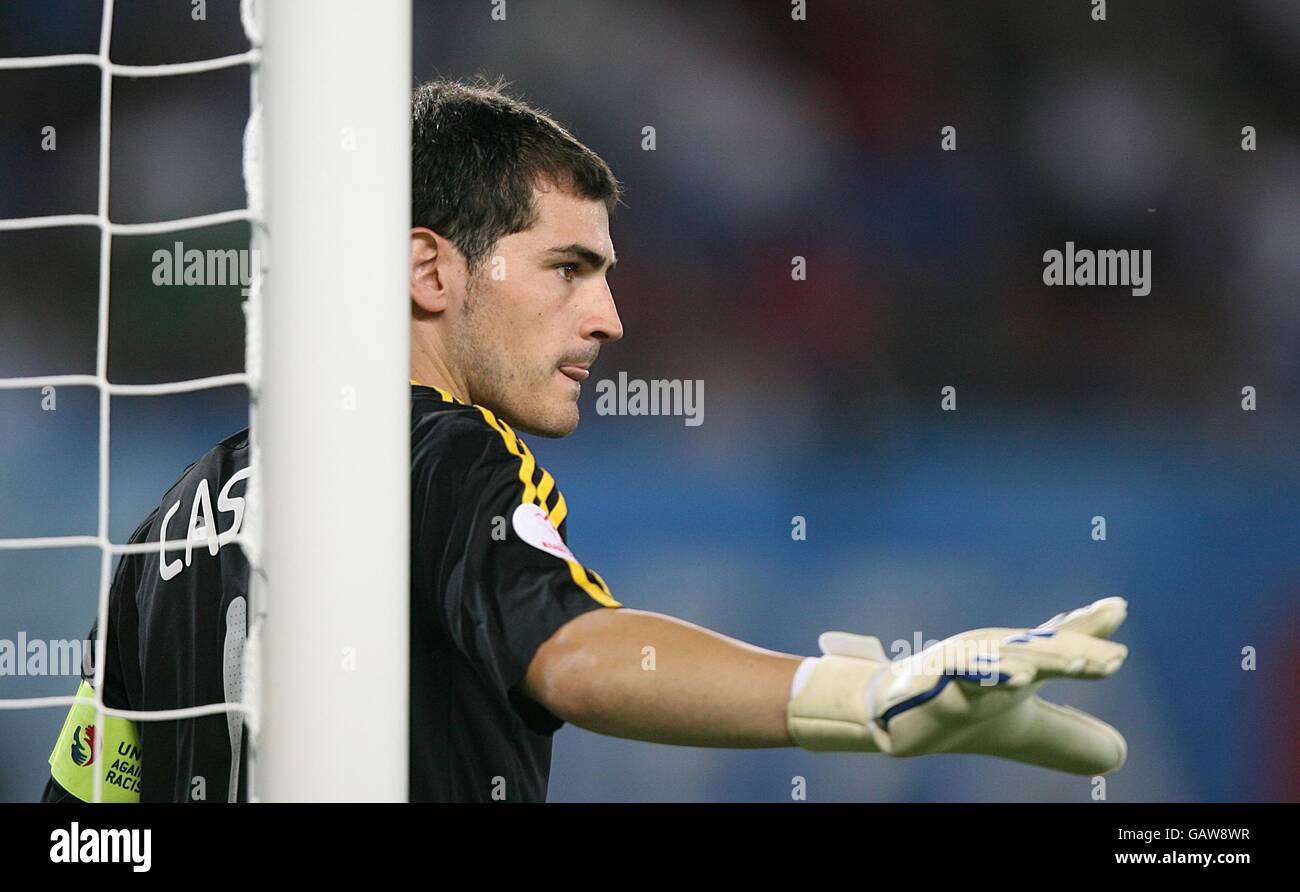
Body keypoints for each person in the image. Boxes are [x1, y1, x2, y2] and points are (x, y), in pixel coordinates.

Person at [42, 76, 1129, 803]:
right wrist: (858, 700)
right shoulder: (447, 456)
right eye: (570, 267)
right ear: (429, 271)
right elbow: (572, 650)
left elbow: (86, 815)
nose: (609, 316)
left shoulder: (159, 531)